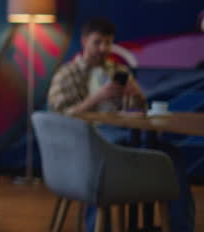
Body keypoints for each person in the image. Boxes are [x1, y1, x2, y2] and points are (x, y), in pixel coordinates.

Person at [47, 17, 195, 232]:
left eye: (108, 43)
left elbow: (140, 111)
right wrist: (95, 99)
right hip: (87, 144)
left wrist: (136, 97)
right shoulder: (66, 74)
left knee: (171, 156)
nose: (103, 48)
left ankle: (179, 228)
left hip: (125, 136)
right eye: (97, 42)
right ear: (84, 41)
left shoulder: (118, 71)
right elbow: (58, 119)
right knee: (109, 147)